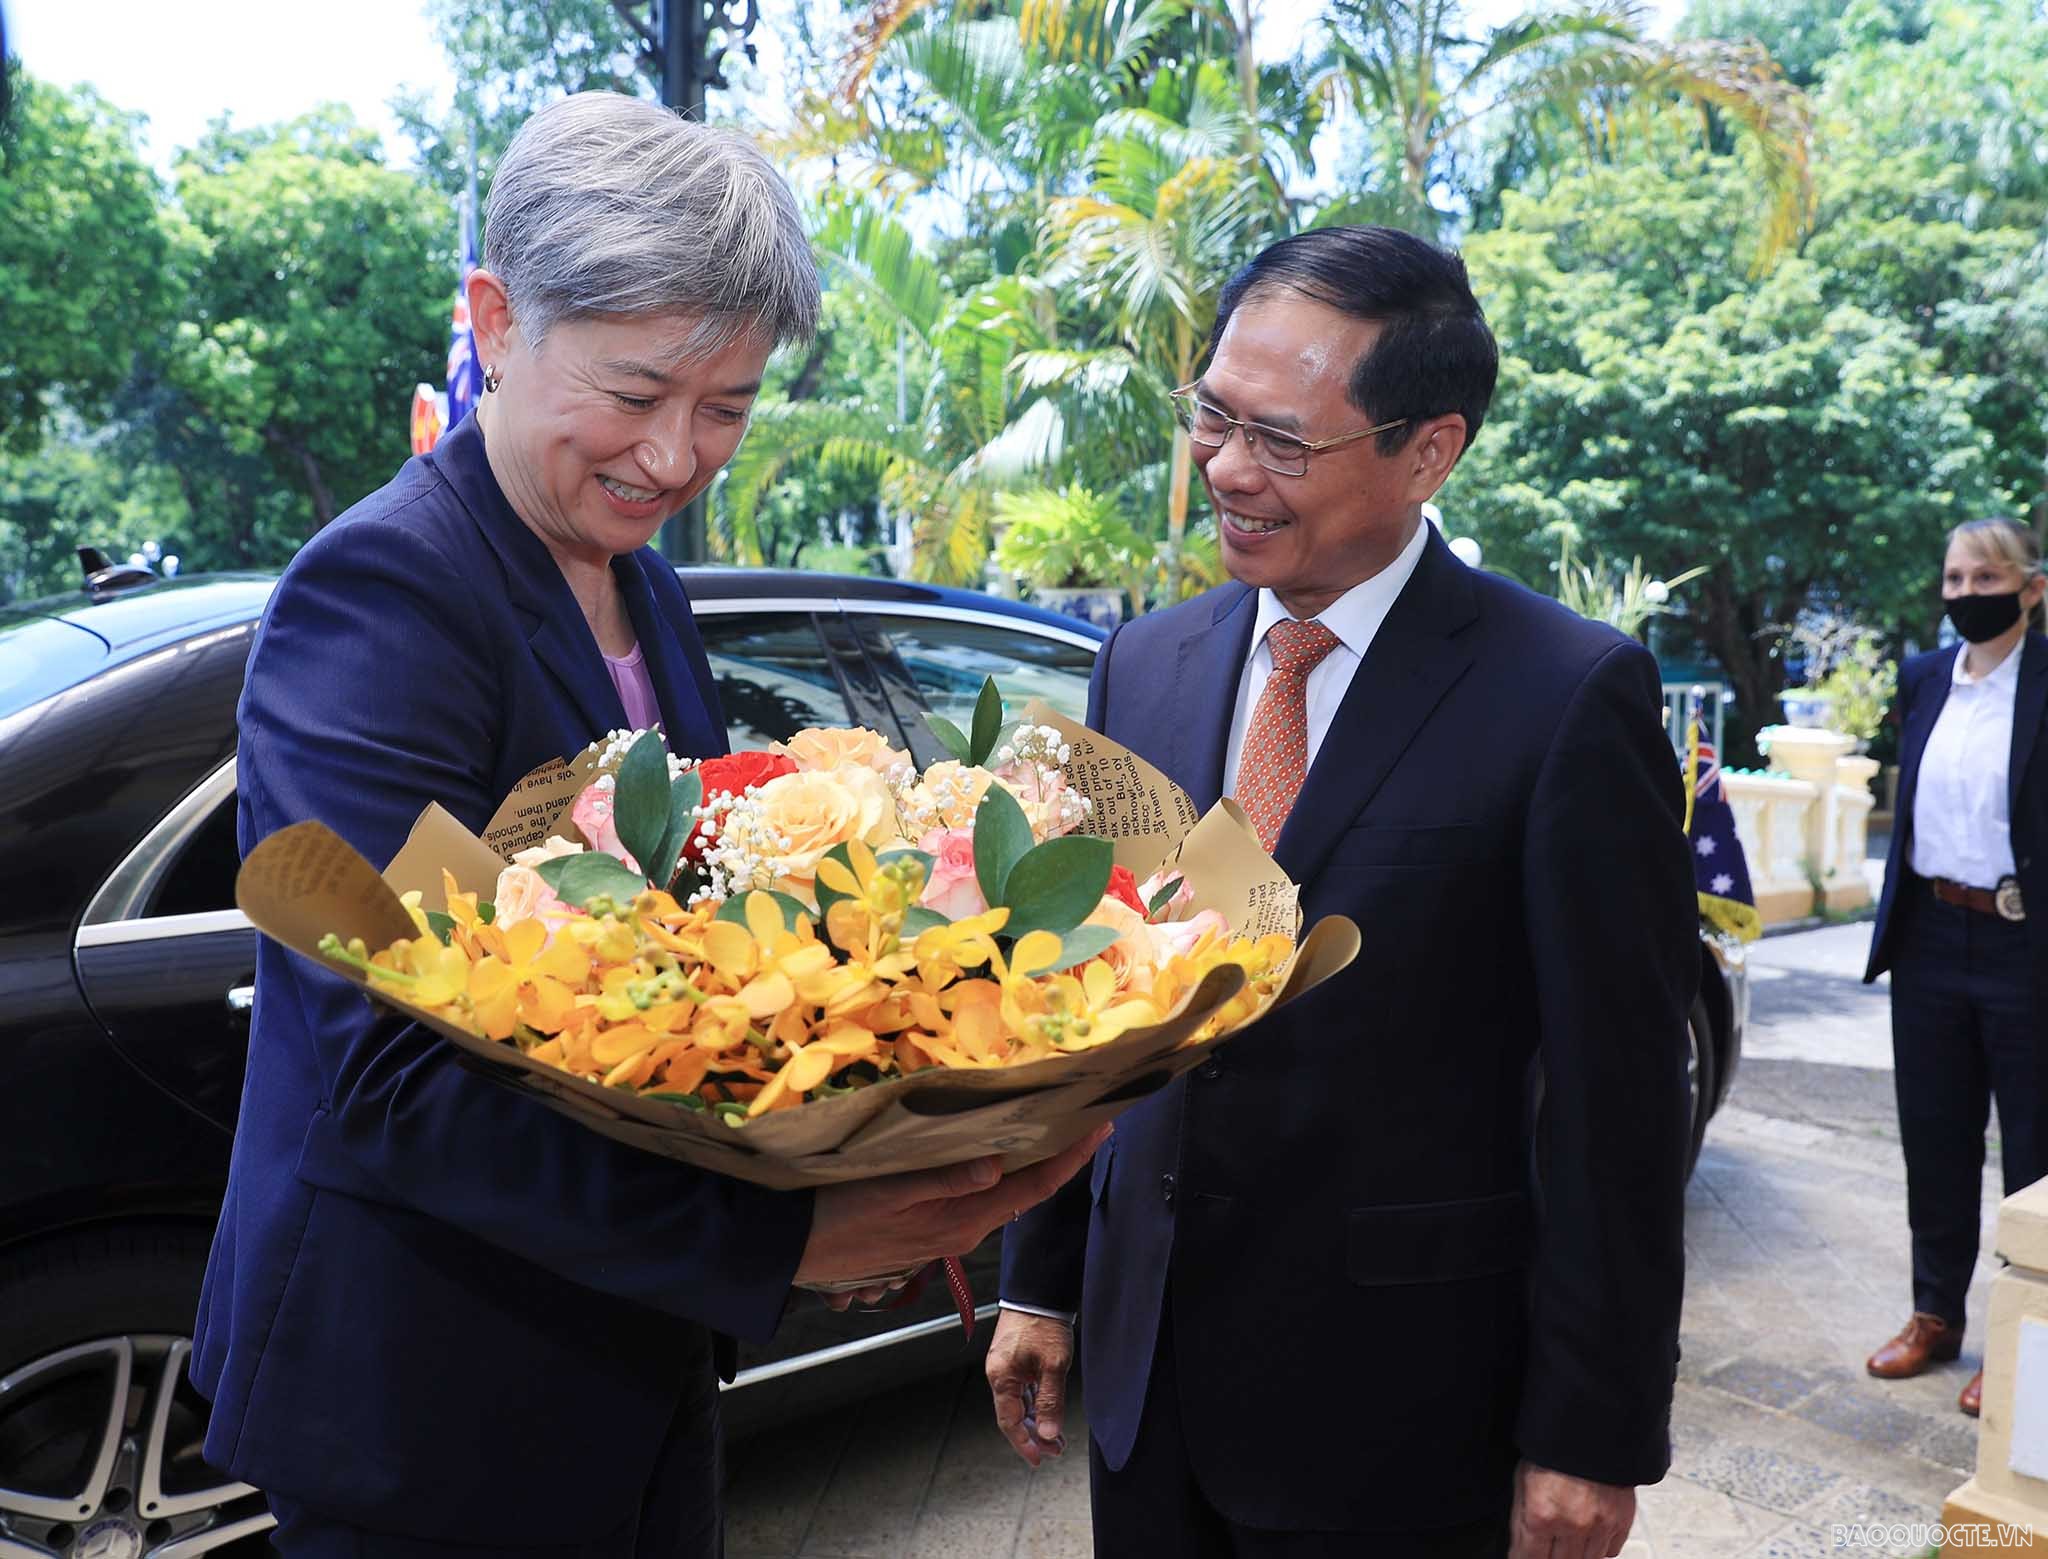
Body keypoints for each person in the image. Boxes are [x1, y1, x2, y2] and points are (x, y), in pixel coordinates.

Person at [190, 92, 1101, 1558]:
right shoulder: (390, 595)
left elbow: (676, 952)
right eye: (634, 393)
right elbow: (388, 1070)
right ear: (497, 320)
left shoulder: (649, 587)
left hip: (634, 1352)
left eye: (725, 407)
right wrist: (780, 1235)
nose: (676, 456)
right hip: (429, 1392)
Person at [985, 225, 1698, 1559]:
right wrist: (1044, 1281)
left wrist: (1590, 1430)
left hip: (1400, 1412)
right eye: (1212, 415)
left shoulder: (1563, 694)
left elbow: (1619, 1100)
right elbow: (1079, 993)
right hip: (1147, 1384)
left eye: (1280, 438)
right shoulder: (1144, 664)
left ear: (1428, 450)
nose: (1225, 467)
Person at [1863, 516, 2048, 1420]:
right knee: (1934, 1138)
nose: (1967, 594)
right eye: (1955, 579)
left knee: (2034, 1150)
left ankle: (2023, 1338)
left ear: (2032, 589)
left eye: (1987, 578)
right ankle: (1935, 1312)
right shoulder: (1924, 678)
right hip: (1930, 938)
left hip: (2025, 944)